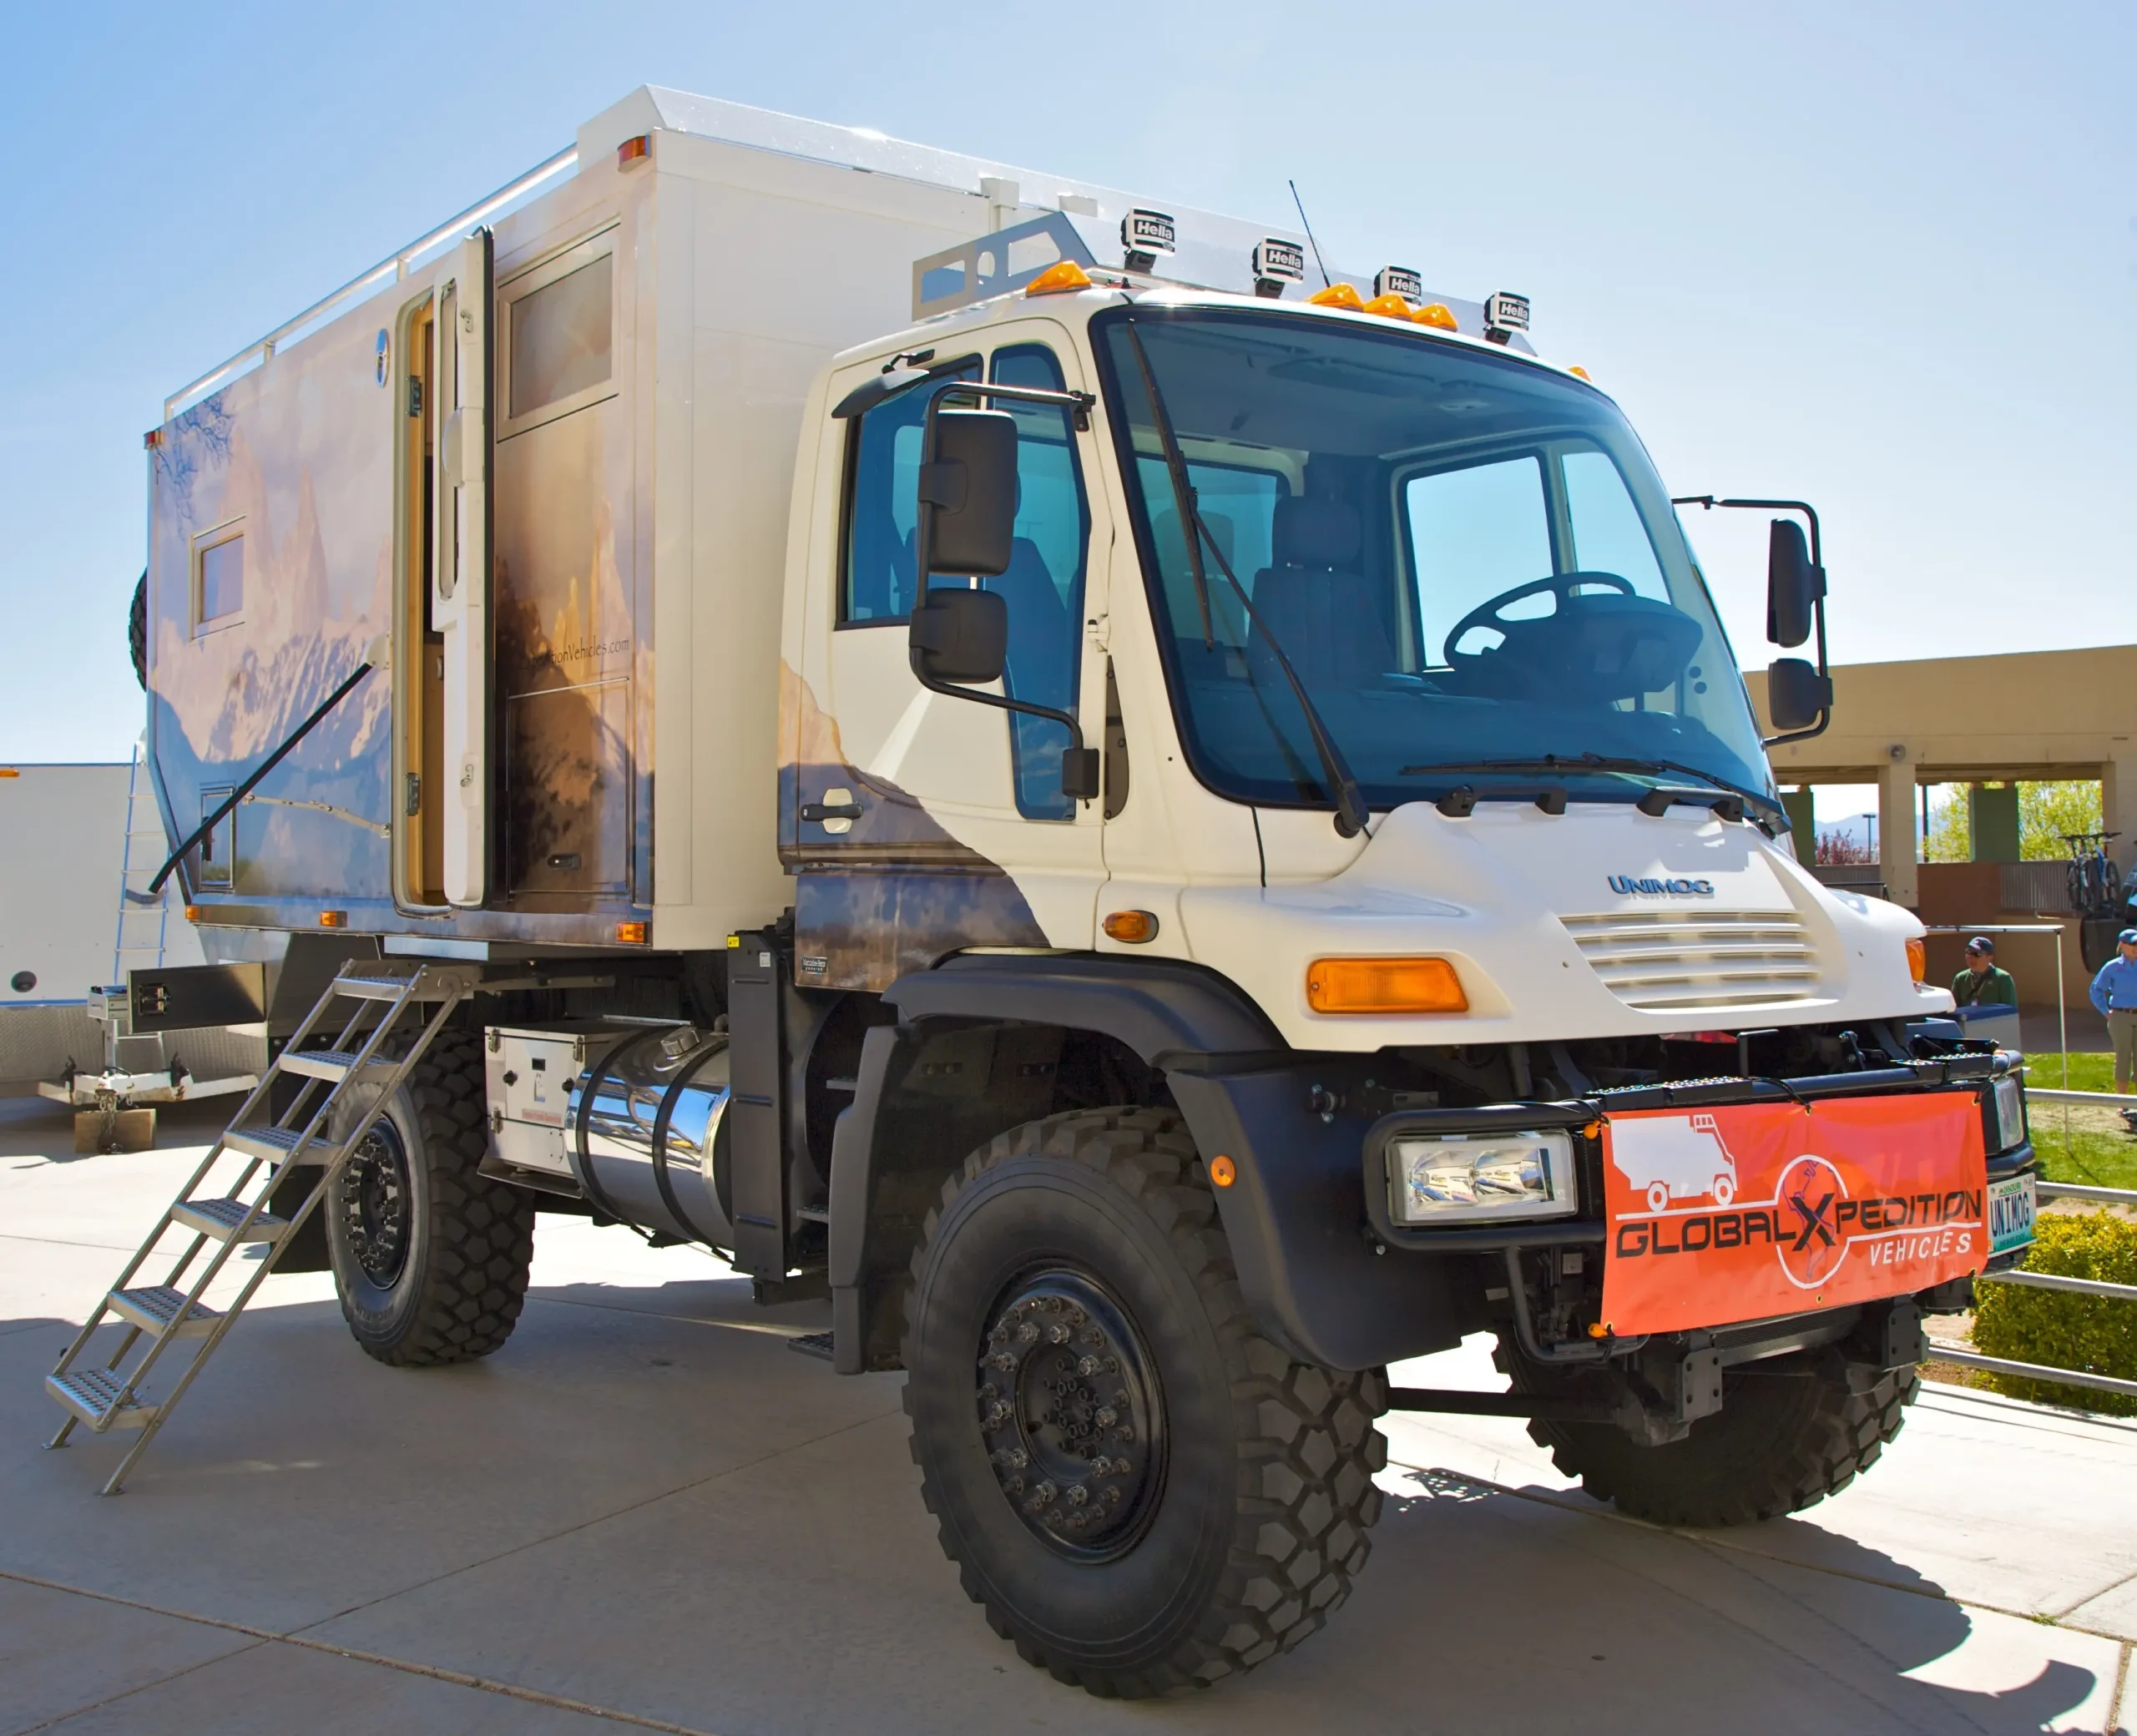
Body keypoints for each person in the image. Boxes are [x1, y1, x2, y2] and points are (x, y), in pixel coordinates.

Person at [2090, 928, 2137, 1094]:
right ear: (2122, 945)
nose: (2136, 947)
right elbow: (2096, 989)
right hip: (2120, 1016)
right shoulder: (2112, 967)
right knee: (2123, 1056)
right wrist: (2106, 1011)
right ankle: (2122, 1101)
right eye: (2132, 944)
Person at [1951, 936, 2017, 1009]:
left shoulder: (2003, 978)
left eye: (1977, 954)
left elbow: (2010, 1010)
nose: (1971, 957)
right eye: (1968, 952)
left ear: (1990, 957)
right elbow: (1954, 1009)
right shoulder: (1960, 979)